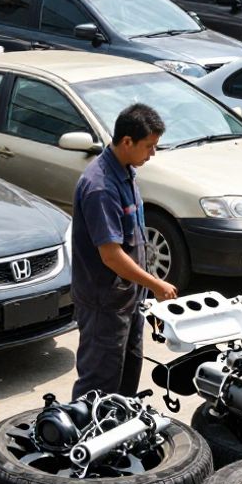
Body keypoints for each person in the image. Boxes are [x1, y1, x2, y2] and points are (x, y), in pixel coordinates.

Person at [70, 103, 178, 400]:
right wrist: (155, 284)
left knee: (126, 378)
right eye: (149, 146)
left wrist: (145, 287)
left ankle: (119, 435)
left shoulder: (126, 171)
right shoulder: (100, 187)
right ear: (127, 141)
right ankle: (82, 441)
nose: (152, 153)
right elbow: (111, 255)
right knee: (98, 386)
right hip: (103, 304)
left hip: (128, 300)